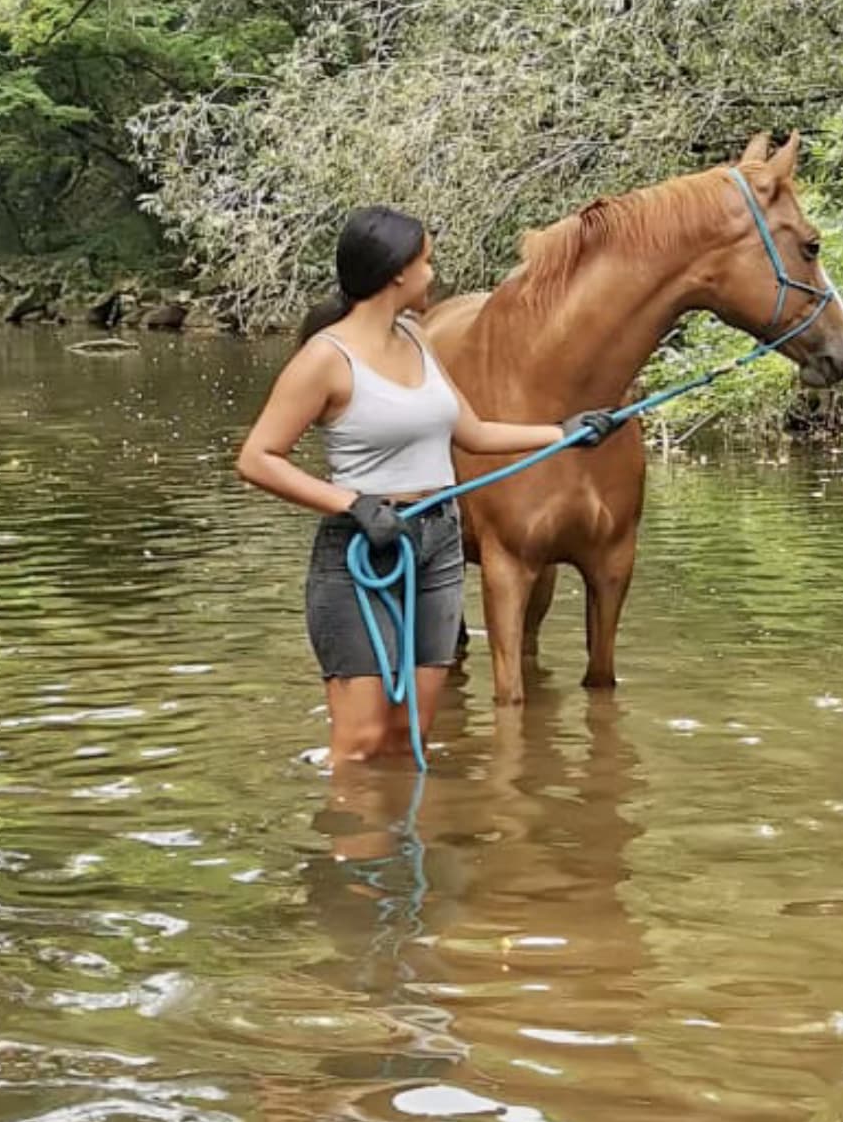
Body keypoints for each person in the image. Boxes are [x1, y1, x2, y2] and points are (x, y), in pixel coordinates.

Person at [235, 207, 615, 764]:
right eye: (427, 261)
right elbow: (258, 458)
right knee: (362, 746)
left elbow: (475, 432)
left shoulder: (417, 340)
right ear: (396, 273)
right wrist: (353, 504)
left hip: (436, 549)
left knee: (406, 738)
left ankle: (401, 847)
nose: (434, 275)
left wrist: (562, 433)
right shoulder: (325, 358)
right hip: (364, 550)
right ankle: (351, 848)